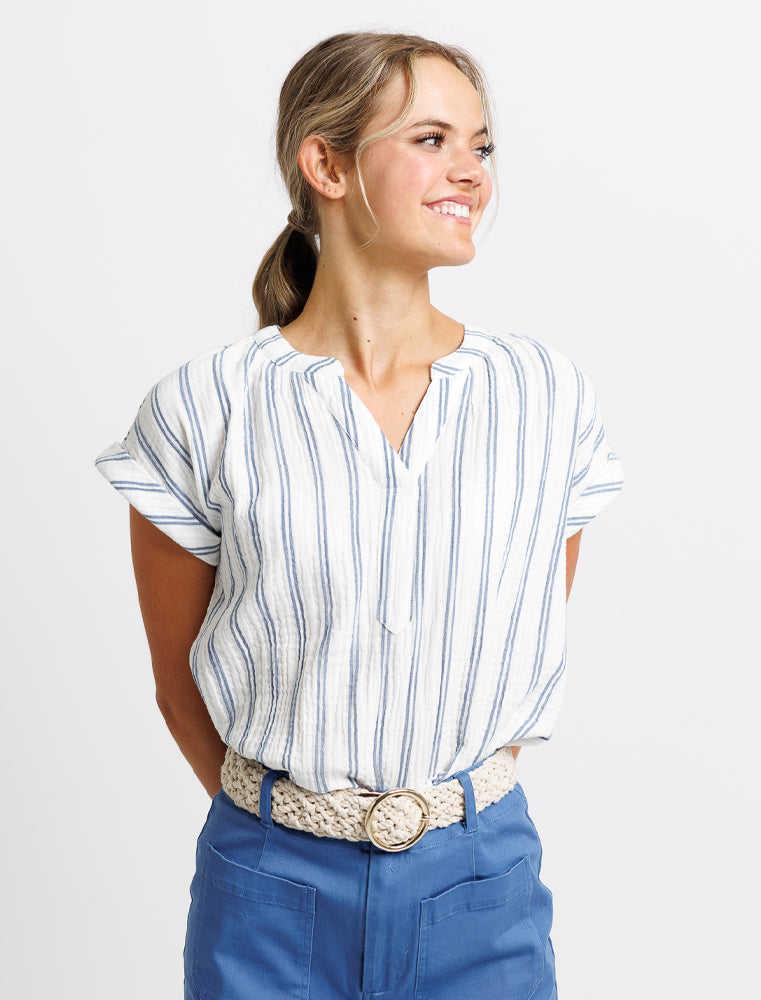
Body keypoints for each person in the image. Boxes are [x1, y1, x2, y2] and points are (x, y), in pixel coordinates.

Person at [96, 31, 623, 1000]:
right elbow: (181, 687)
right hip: (267, 891)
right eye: (430, 138)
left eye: (481, 144)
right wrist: (291, 827)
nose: (469, 169)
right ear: (326, 163)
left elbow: (523, 638)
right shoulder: (204, 409)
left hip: (479, 884)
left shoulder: (542, 400)